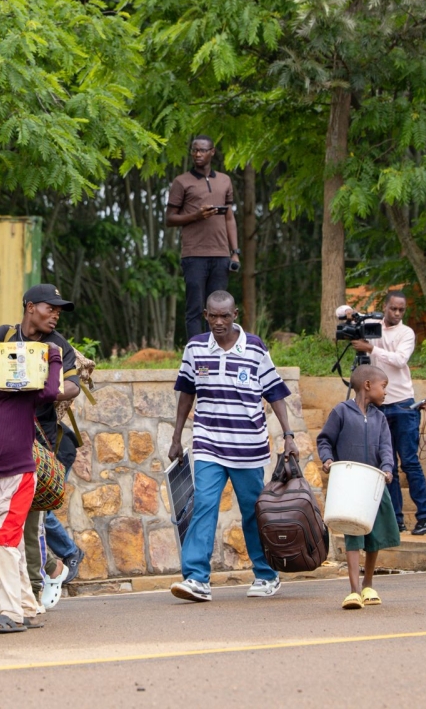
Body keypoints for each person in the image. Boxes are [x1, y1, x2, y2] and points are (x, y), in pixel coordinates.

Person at [167, 291, 299, 603]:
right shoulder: (195, 348)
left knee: (254, 512)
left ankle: (266, 574)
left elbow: (274, 392)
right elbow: (186, 393)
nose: (219, 321)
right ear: (205, 315)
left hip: (248, 447)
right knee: (203, 506)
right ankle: (196, 578)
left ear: (235, 314)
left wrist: (289, 434)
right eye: (213, 315)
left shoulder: (254, 347)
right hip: (209, 443)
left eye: (224, 315)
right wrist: (176, 436)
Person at [0, 284, 84, 604]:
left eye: (58, 310)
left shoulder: (58, 345)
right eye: (50, 308)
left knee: (33, 515)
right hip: (5, 434)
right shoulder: (4, 335)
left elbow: (73, 386)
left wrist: (41, 389)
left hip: (40, 439)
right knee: (6, 510)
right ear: (30, 307)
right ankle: (42, 570)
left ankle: (35, 583)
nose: (55, 315)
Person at [0, 347, 63, 632]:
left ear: (1, 374)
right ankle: (28, 609)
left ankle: (10, 613)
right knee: (11, 546)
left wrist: (54, 359)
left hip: (21, 479)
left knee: (4, 544)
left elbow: (51, 391)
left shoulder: (23, 397)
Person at [317, 365, 401, 610]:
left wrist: (387, 468)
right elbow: (325, 439)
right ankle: (353, 591)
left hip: (374, 483)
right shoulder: (341, 412)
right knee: (353, 533)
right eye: (383, 386)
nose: (385, 392)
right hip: (350, 483)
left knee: (374, 535)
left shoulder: (380, 418)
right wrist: (327, 459)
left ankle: (368, 585)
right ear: (367, 385)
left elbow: (386, 447)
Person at [352, 290, 426, 534]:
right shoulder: (372, 326)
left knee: (409, 462)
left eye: (401, 310)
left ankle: (424, 517)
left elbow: (399, 360)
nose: (397, 313)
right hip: (378, 405)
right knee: (388, 466)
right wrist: (350, 314)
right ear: (384, 307)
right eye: (393, 309)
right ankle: (396, 520)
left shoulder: (406, 332)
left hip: (403, 404)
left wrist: (371, 349)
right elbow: (344, 315)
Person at [165, 135, 240, 339]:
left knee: (218, 309)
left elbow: (229, 218)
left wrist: (235, 252)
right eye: (194, 150)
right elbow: (169, 219)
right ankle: (195, 351)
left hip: (221, 255)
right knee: (196, 308)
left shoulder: (224, 180)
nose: (197, 154)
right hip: (194, 255)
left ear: (212, 152)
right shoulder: (181, 182)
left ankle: (216, 350)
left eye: (202, 150)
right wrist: (196, 216)